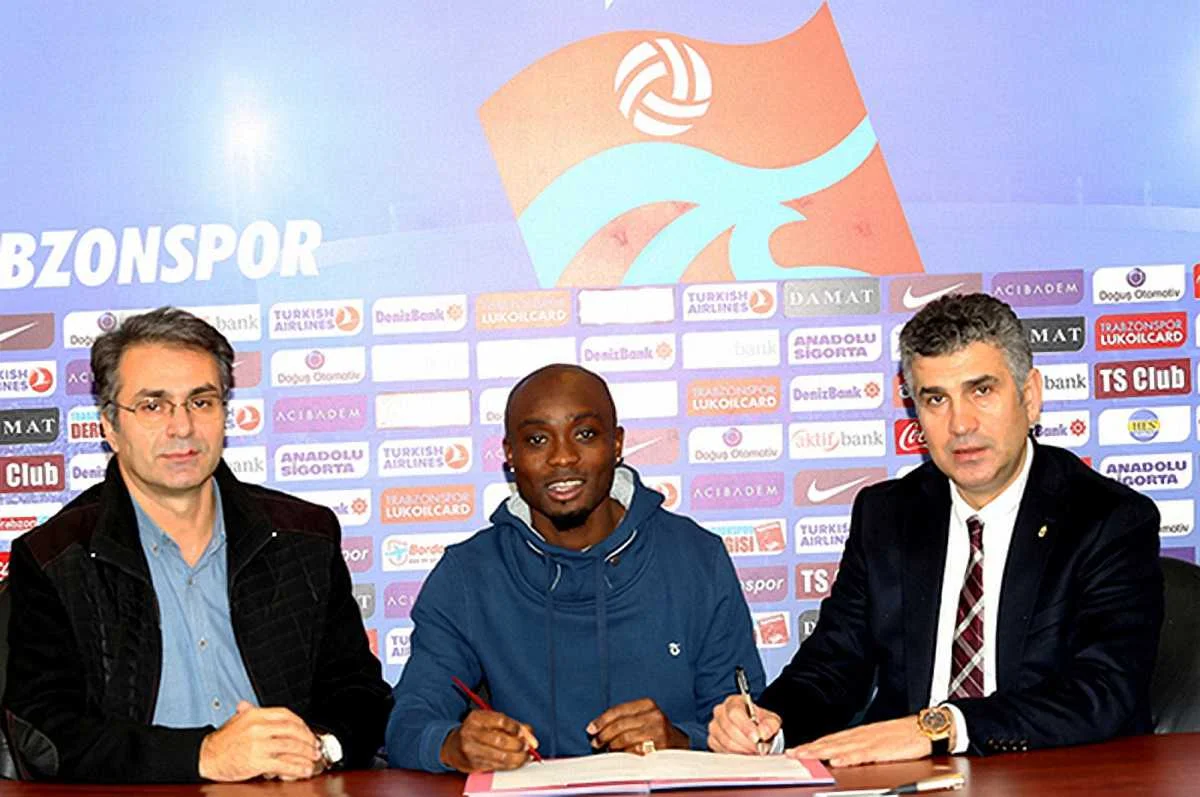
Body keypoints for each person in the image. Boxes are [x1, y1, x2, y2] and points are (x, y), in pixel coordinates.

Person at [709, 292, 1163, 765]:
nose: (960, 424)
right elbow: (832, 667)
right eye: (936, 399)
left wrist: (941, 727)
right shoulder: (887, 515)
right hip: (907, 783)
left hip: (1053, 779)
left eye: (981, 391)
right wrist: (768, 725)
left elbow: (1103, 690)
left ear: (1029, 397)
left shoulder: (1108, 518)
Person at [2, 307, 391, 782]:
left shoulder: (305, 537)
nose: (182, 427)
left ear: (225, 413)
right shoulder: (55, 557)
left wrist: (320, 747)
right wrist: (203, 755)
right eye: (153, 406)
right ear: (110, 426)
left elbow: (361, 695)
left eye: (201, 402)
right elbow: (45, 735)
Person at [386, 364, 764, 773]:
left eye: (585, 434)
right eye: (537, 440)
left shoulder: (696, 558)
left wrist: (680, 741)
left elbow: (746, 727)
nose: (562, 457)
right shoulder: (467, 575)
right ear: (510, 455)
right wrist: (453, 745)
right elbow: (408, 723)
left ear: (616, 444)